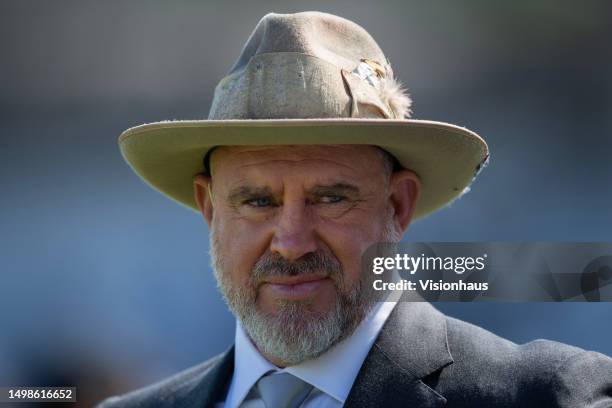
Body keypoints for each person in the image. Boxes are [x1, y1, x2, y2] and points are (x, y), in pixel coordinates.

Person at [99, 11, 612, 408]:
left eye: (331, 198)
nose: (292, 241)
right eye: (258, 201)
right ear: (209, 208)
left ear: (398, 205)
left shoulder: (548, 396)